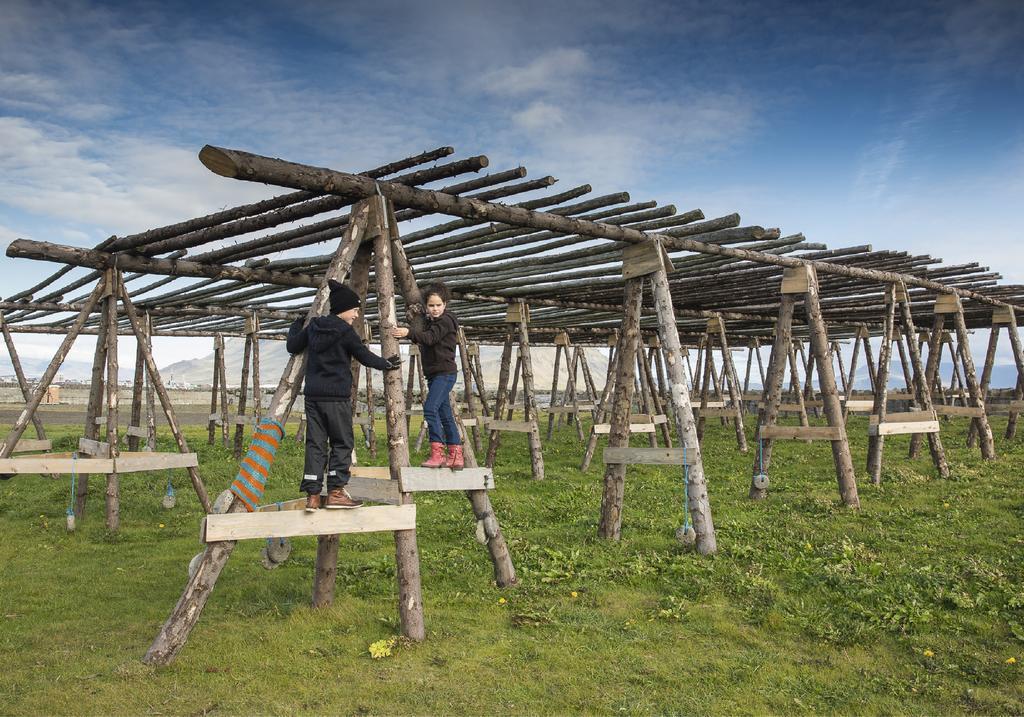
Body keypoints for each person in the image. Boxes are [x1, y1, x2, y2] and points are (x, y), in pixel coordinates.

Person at [287, 279, 400, 512]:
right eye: (355, 309)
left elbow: (293, 345)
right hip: (336, 398)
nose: (357, 315)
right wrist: (387, 364)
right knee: (342, 442)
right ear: (343, 308)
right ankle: (337, 491)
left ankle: (313, 496)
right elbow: (363, 355)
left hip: (313, 397)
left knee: (315, 444)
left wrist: (297, 325)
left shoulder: (314, 327)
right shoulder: (345, 332)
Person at [391, 282, 464, 470]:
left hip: (445, 373)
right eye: (431, 305)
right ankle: (456, 455)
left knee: (430, 408)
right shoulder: (432, 322)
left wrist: (409, 332)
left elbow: (430, 338)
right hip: (435, 375)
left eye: (438, 305)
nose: (435, 309)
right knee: (445, 413)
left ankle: (437, 454)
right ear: (426, 306)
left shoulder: (446, 320)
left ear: (445, 304)